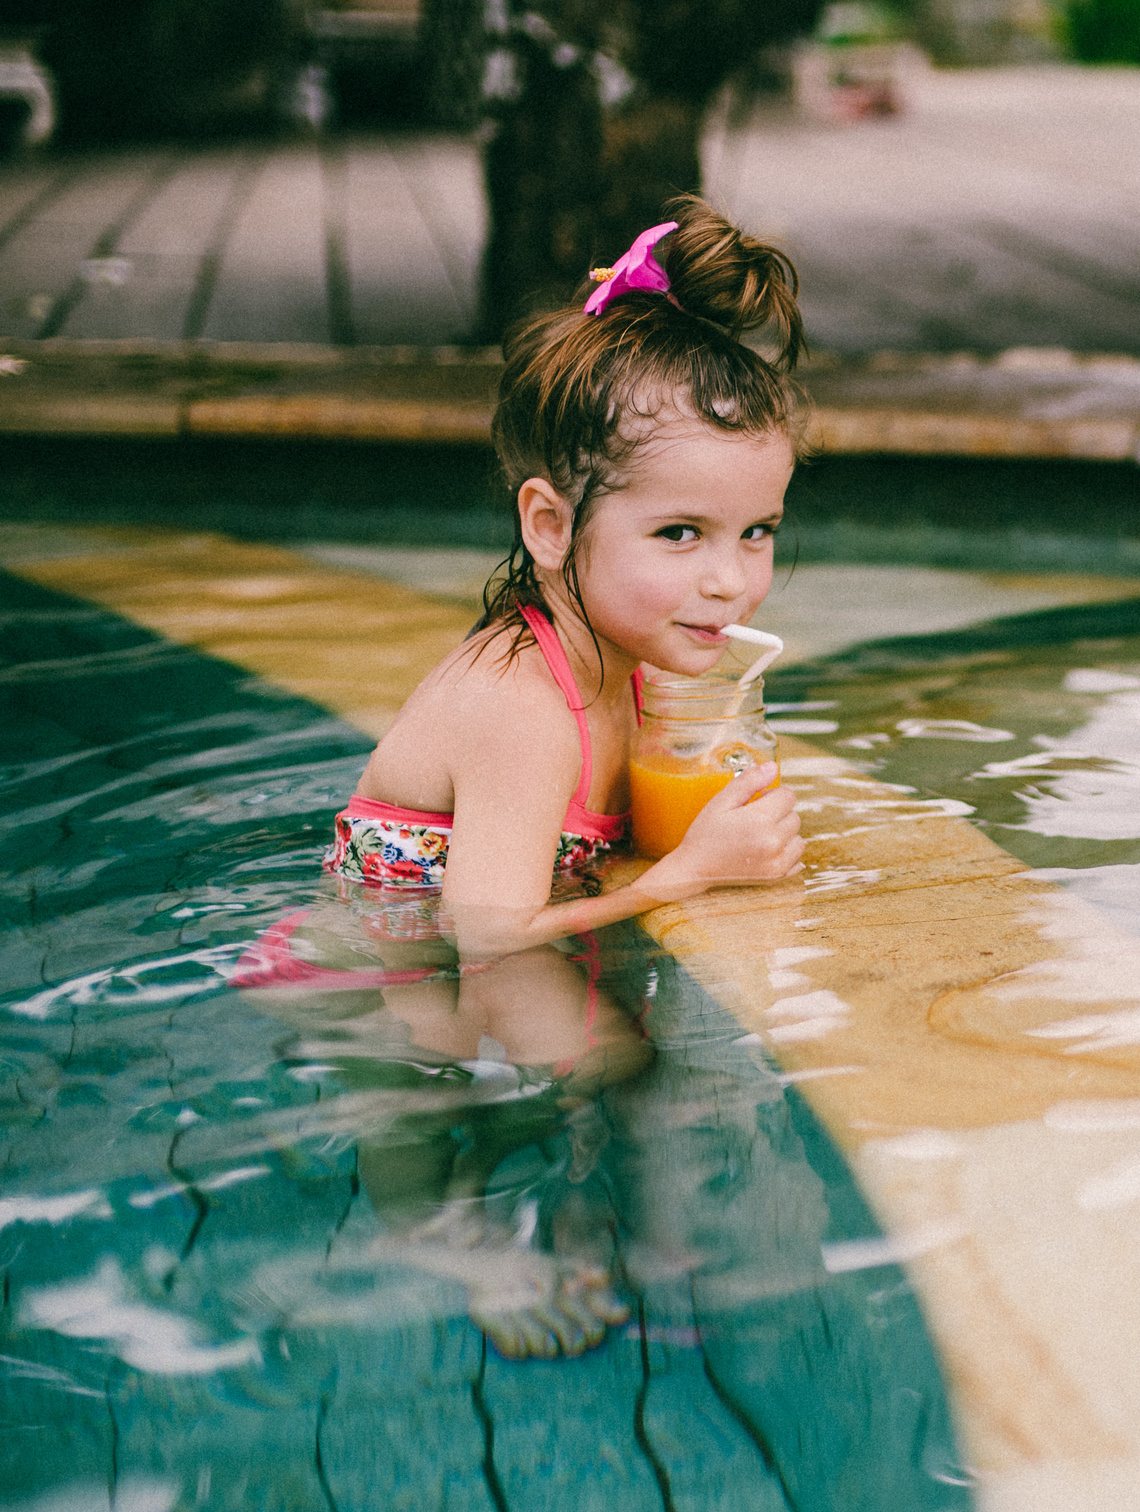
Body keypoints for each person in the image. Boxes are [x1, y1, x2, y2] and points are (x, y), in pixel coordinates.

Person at [234, 197, 808, 1357]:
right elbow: (488, 936)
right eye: (681, 534)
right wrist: (687, 874)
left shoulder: (634, 656)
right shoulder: (521, 705)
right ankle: (439, 1239)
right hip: (374, 966)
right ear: (550, 525)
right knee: (475, 1083)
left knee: (610, 1054)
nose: (730, 584)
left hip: (476, 928)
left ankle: (606, 1196)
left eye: (757, 532)